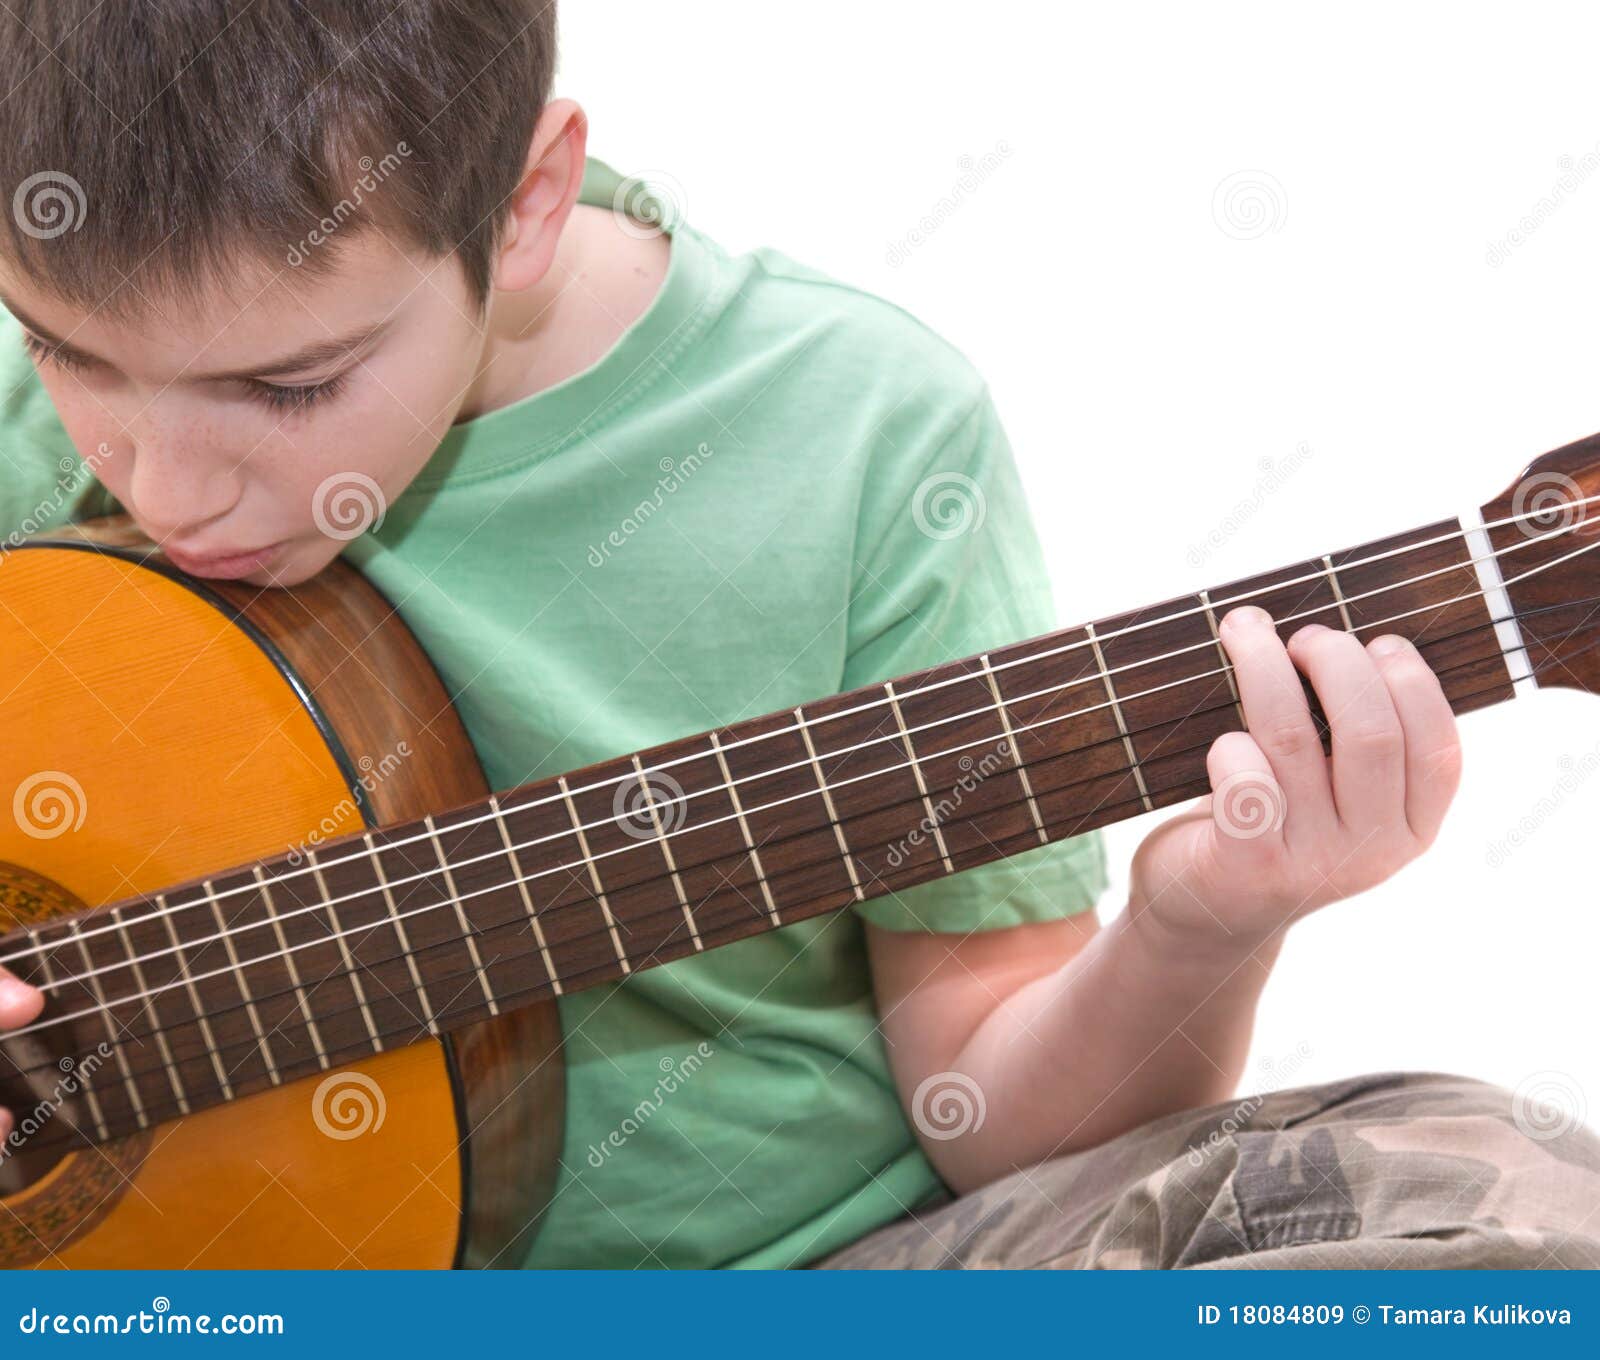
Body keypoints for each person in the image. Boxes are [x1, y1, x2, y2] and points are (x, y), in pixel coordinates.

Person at [0, 1, 1594, 1269]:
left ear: (527, 203)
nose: (166, 482)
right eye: (71, 352)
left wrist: (1204, 928)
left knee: (1490, 1211)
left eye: (291, 388)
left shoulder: (854, 432)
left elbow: (991, 1119)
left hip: (826, 1283)